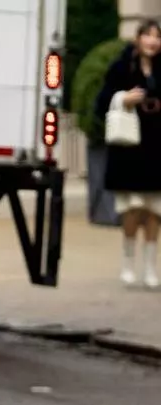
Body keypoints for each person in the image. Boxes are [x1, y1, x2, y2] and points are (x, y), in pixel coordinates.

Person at [97, 20, 161, 288]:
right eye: (148, 35)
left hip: (157, 148)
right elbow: (101, 103)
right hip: (130, 149)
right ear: (138, 39)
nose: (153, 41)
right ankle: (128, 263)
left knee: (155, 209)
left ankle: (151, 267)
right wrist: (122, 99)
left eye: (157, 37)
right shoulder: (121, 67)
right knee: (132, 208)